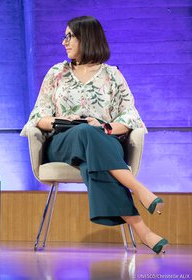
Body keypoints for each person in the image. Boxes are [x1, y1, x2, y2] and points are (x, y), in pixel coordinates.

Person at [23, 16, 168, 254]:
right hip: (62, 141)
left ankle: (143, 231)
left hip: (103, 142)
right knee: (83, 131)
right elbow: (38, 116)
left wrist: (105, 128)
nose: (64, 42)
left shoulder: (112, 75)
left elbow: (131, 117)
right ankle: (139, 189)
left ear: (87, 37)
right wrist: (64, 120)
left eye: (70, 36)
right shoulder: (57, 73)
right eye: (64, 36)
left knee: (92, 157)